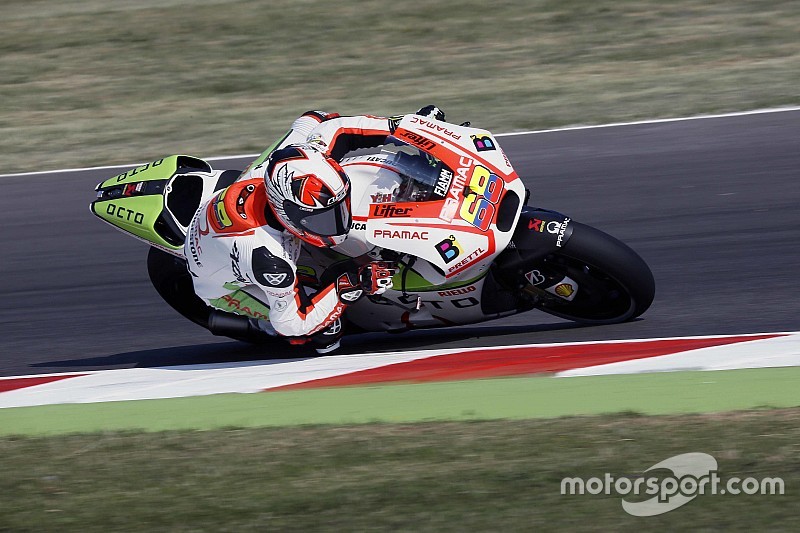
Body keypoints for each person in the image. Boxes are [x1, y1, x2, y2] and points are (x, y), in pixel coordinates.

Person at [184, 105, 446, 352]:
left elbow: (331, 125)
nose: (337, 222)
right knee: (321, 333)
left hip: (234, 207)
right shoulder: (271, 261)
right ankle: (255, 326)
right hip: (224, 283)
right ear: (287, 211)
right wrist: (352, 282)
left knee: (318, 117)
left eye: (338, 209)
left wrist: (408, 128)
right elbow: (291, 322)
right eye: (323, 218)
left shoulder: (297, 159)